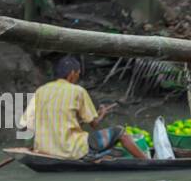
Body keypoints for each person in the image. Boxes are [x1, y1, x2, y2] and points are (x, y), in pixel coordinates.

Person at [19, 56, 149, 161]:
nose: (77, 77)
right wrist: (101, 113)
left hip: (43, 149)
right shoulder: (77, 91)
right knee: (120, 132)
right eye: (78, 74)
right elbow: (94, 124)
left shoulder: (40, 91)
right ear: (72, 73)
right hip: (71, 150)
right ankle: (146, 163)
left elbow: (26, 123)